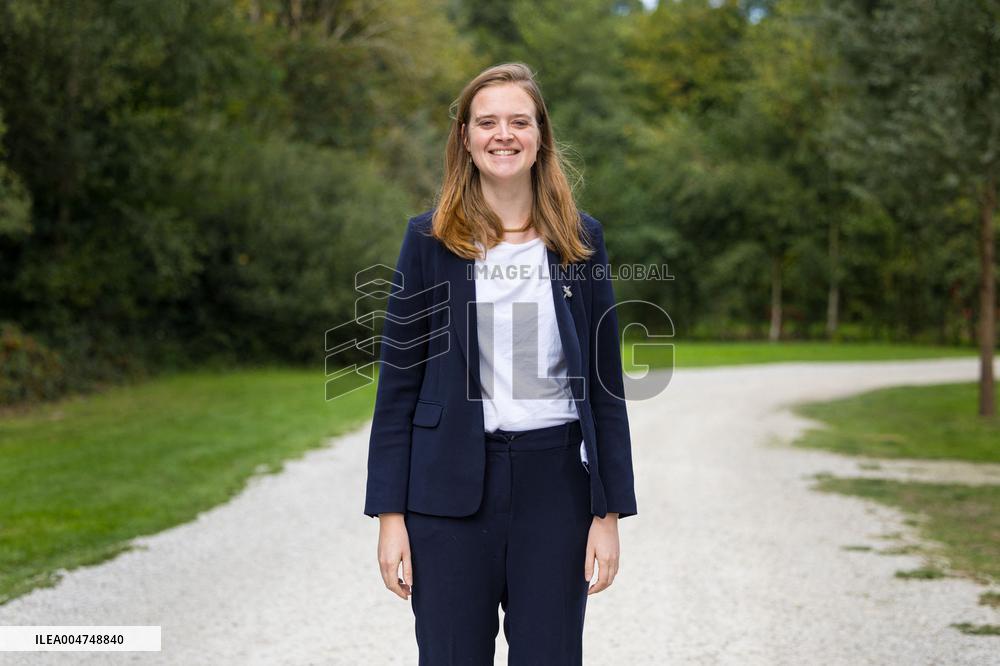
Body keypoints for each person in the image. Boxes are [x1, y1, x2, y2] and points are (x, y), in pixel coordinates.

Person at [364, 62, 637, 666]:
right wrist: (390, 517)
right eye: (486, 122)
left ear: (541, 136)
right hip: (447, 497)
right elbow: (398, 389)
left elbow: (605, 389)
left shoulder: (578, 241)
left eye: (519, 121)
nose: (503, 134)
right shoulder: (429, 241)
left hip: (555, 491)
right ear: (465, 137)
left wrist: (608, 511)